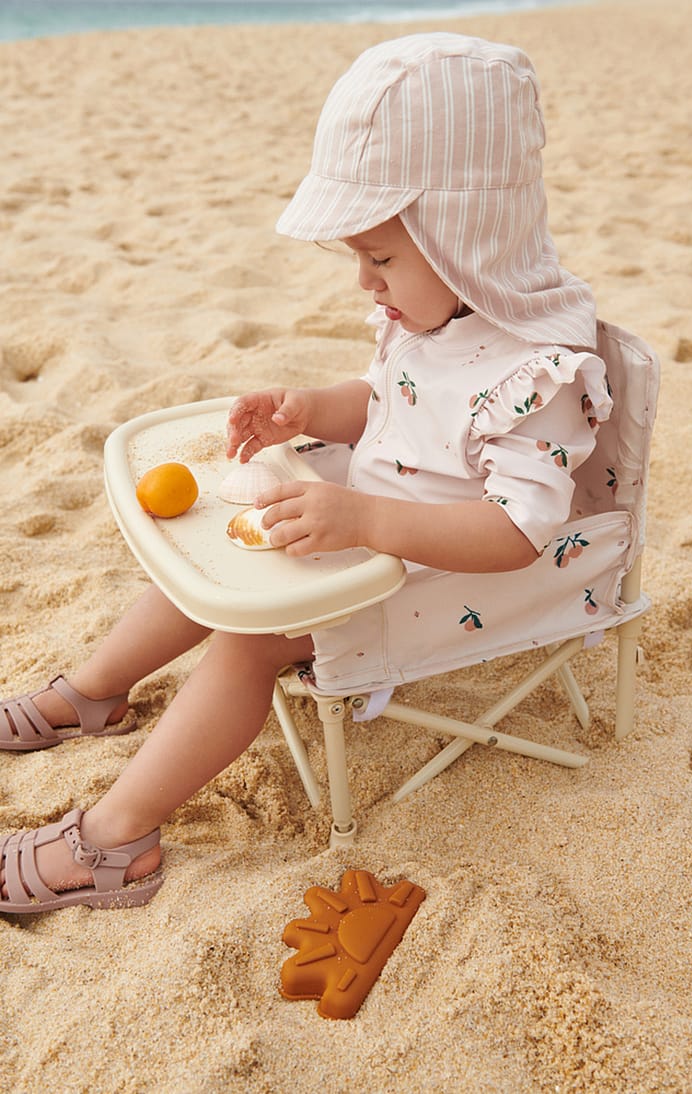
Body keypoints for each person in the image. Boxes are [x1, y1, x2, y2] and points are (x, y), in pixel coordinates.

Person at [0, 33, 612, 914]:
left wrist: (365, 522)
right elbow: (392, 405)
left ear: (469, 240)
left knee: (247, 640)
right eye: (359, 257)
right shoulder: (430, 314)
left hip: (433, 576)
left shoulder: (538, 374)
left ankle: (114, 841)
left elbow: (517, 533)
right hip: (359, 530)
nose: (365, 282)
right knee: (219, 564)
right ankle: (93, 693)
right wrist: (311, 412)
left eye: (382, 258)